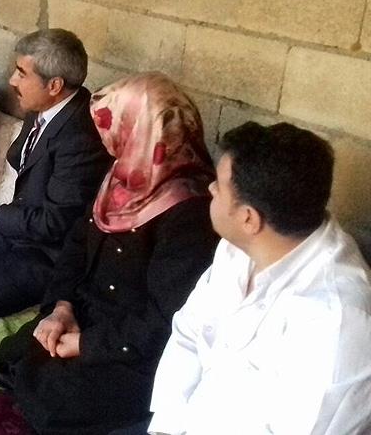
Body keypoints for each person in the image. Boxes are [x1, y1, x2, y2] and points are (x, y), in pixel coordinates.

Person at [0, 72, 220, 434]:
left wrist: (86, 344)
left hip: (134, 344)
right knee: (13, 358)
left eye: (117, 129)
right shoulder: (123, 175)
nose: (108, 142)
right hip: (88, 312)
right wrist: (62, 307)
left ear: (145, 131)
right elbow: (77, 243)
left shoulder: (189, 211)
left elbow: (166, 319)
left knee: (55, 401)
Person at [148, 122, 371, 435]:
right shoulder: (237, 250)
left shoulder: (336, 319)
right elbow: (187, 334)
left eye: (219, 186)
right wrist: (166, 427)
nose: (211, 189)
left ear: (248, 218)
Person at [0, 28, 112, 318]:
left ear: (54, 85)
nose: (12, 80)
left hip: (48, 250)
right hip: (19, 223)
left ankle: (50, 288)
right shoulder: (41, 106)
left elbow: (55, 223)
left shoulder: (80, 138)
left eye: (21, 73)